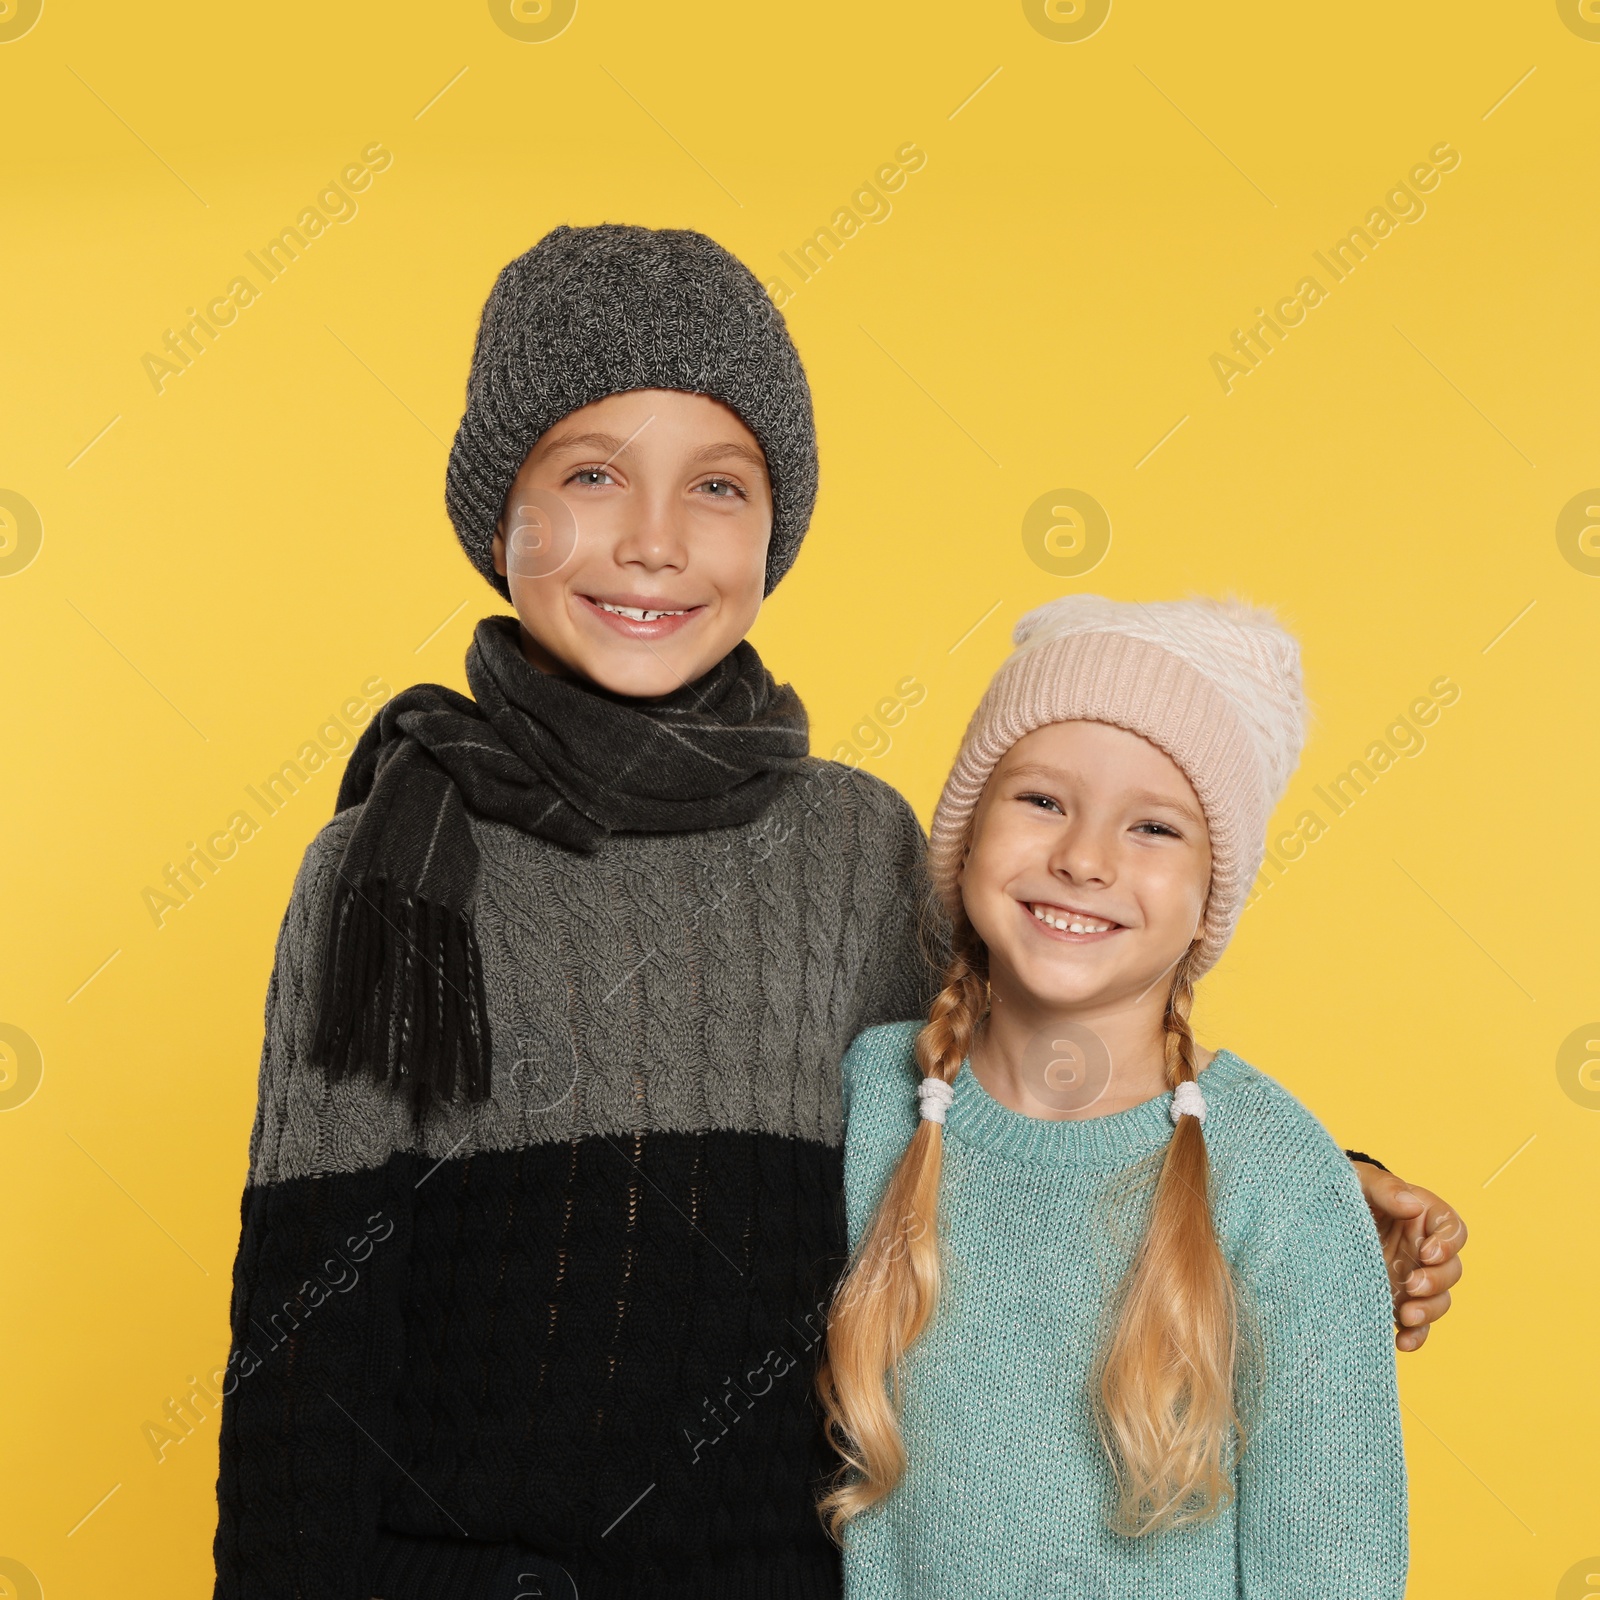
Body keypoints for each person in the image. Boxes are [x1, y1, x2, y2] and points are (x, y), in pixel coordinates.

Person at [210, 227, 1459, 1599]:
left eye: (718, 486)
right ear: (495, 512)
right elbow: (300, 1370)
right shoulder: (391, 875)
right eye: (588, 474)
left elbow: (1019, 1088)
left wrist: (1301, 1194)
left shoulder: (853, 847)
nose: (653, 540)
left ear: (775, 526)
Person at [818, 595, 1410, 1597]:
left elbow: (1332, 1563)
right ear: (965, 835)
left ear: (1208, 895)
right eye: (1041, 800)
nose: (1083, 859)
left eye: (1153, 826)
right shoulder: (870, 1099)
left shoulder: (1276, 1175)